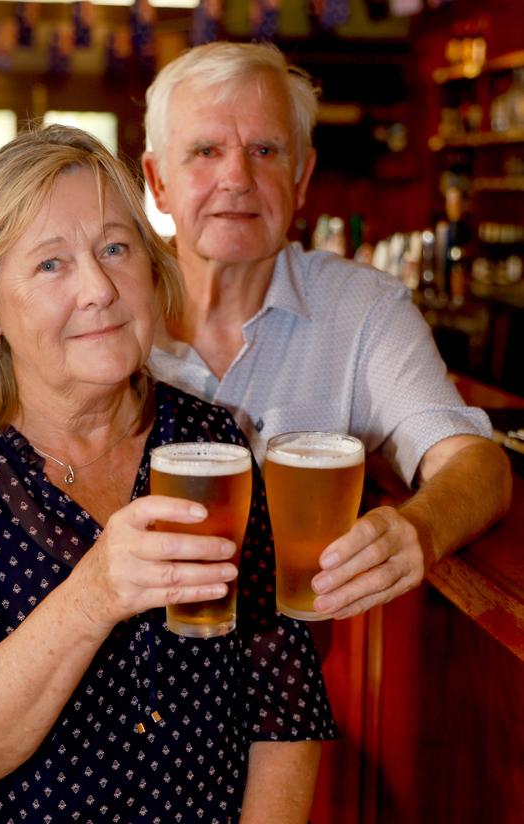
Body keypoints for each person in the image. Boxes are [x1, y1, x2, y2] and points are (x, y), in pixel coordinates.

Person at [0, 125, 336, 824]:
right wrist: (93, 593)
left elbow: (285, 703)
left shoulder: (211, 443)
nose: (99, 289)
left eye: (116, 249)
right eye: (52, 264)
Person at [141, 41, 512, 622]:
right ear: (158, 180)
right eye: (205, 151)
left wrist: (419, 528)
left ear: (302, 176)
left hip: (287, 692)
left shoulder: (363, 309)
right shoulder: (106, 308)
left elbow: (477, 464)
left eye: (264, 150)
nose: (236, 177)